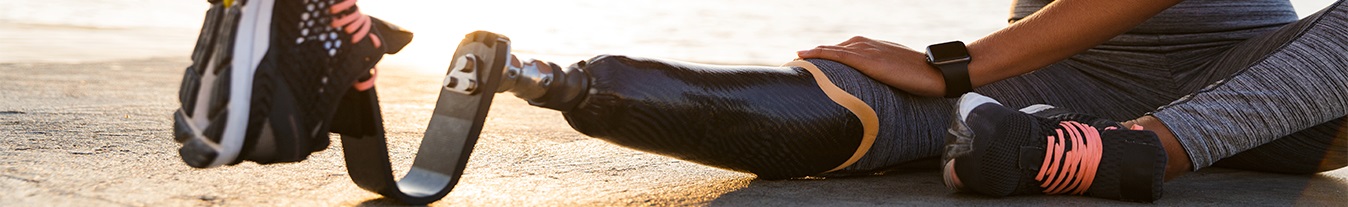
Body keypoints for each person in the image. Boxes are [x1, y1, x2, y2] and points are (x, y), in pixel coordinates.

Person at [794, 0, 1348, 202]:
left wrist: (957, 64)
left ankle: (1145, 147)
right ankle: (1066, 148)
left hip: (1272, 88)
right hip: (1046, 86)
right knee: (819, 95)